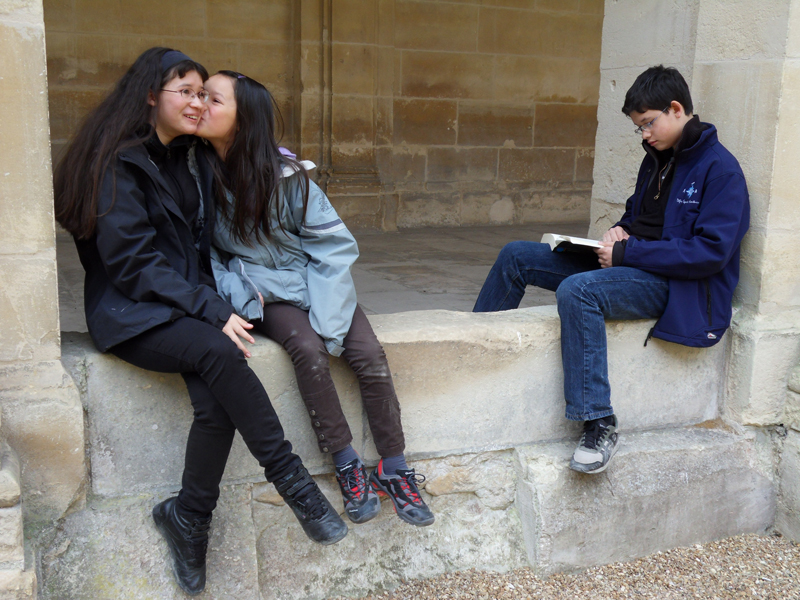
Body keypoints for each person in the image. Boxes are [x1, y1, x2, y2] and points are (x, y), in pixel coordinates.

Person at [53, 48, 347, 596]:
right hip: (133, 311)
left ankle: (189, 517)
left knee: (216, 404)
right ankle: (296, 486)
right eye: (184, 92)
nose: (196, 103)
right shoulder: (115, 162)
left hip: (183, 304)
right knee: (220, 351)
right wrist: (212, 308)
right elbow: (134, 264)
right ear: (150, 96)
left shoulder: (185, 156)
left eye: (202, 93)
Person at [473, 65, 750, 474]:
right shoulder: (657, 160)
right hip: (635, 263)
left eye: (648, 123)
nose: (645, 134)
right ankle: (474, 364)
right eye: (639, 127)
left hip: (678, 287)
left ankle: (598, 422)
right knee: (517, 255)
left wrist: (628, 253)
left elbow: (709, 253)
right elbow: (641, 217)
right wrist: (622, 230)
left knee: (579, 290)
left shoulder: (720, 170)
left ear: (676, 109)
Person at [194, 70, 435, 527]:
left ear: (244, 119)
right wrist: (237, 293)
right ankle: (346, 462)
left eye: (213, 98)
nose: (199, 104)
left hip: (315, 279)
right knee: (307, 348)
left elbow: (332, 249)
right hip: (261, 290)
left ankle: (394, 466)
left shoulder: (289, 178)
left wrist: (330, 319)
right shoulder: (196, 177)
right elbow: (207, 257)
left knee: (368, 353)